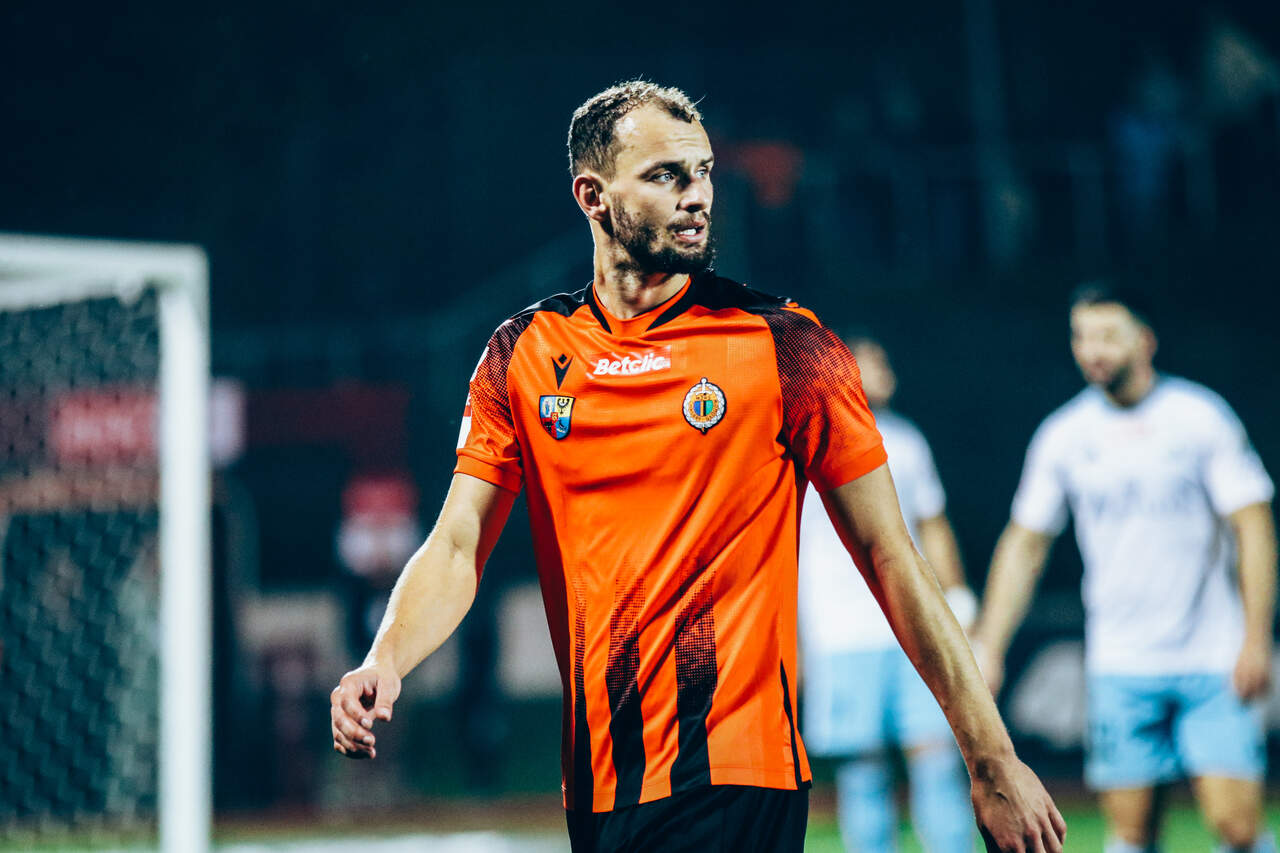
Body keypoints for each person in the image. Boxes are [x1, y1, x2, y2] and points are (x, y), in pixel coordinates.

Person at [330, 80, 1065, 853]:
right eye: (666, 175)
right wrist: (386, 658)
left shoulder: (786, 345)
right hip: (601, 782)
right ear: (593, 195)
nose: (697, 195)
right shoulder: (524, 353)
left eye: (704, 171)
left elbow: (891, 554)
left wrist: (990, 754)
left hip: (737, 773)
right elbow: (456, 545)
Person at [973, 282, 1277, 853]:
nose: (1093, 350)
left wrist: (1256, 636)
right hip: (1120, 662)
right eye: (1082, 337)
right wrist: (989, 643)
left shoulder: (1200, 417)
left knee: (1237, 827)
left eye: (1108, 336)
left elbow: (1253, 524)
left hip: (1211, 658)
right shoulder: (1064, 434)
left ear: (1145, 341)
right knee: (1131, 833)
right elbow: (1025, 543)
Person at [799, 336, 977, 853]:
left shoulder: (907, 441)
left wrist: (959, 600)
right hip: (839, 634)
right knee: (862, 769)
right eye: (869, 362)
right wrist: (793, 639)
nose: (883, 370)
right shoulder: (806, 440)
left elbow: (933, 525)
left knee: (937, 756)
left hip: (912, 625)